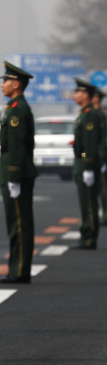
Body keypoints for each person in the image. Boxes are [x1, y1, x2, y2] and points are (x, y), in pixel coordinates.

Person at [0, 62, 38, 284]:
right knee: (15, 222)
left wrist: (13, 176)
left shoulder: (18, 109)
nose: (2, 85)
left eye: (5, 81)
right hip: (13, 172)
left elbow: (17, 145)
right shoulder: (13, 107)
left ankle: (20, 269)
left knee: (20, 223)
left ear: (16, 84)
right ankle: (16, 267)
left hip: (17, 174)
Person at [71, 78, 103, 249]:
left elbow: (90, 143)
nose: (74, 95)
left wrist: (88, 165)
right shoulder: (84, 113)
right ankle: (86, 235)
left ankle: (89, 238)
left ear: (85, 95)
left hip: (86, 164)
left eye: (77, 92)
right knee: (86, 203)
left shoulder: (90, 114)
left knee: (89, 203)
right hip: (82, 162)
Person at [91, 88, 107, 225]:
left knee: (104, 188)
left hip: (100, 157)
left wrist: (102, 157)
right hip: (95, 157)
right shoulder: (94, 114)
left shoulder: (99, 116)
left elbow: (102, 139)